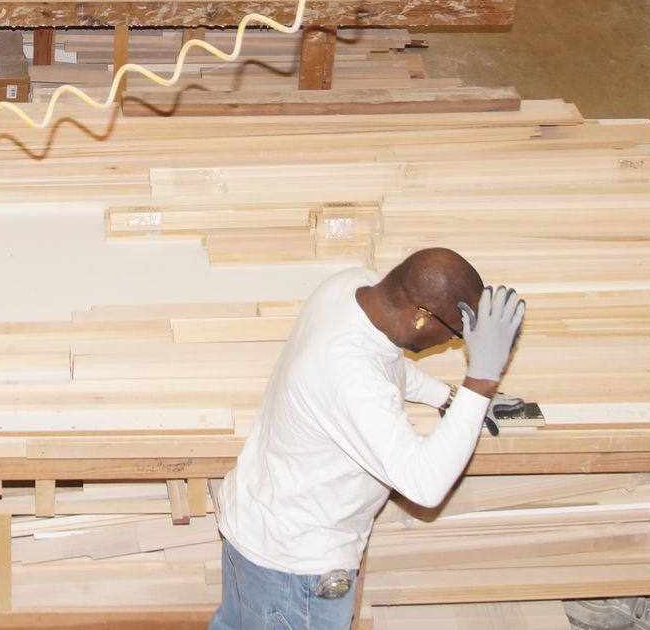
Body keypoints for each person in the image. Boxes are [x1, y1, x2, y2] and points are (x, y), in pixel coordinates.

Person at [212, 249, 527, 630]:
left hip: (256, 528)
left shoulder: (352, 288)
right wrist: (481, 381)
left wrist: (451, 399)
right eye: (456, 333)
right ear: (420, 316)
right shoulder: (350, 378)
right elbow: (425, 484)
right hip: (295, 573)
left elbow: (385, 365)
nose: (454, 342)